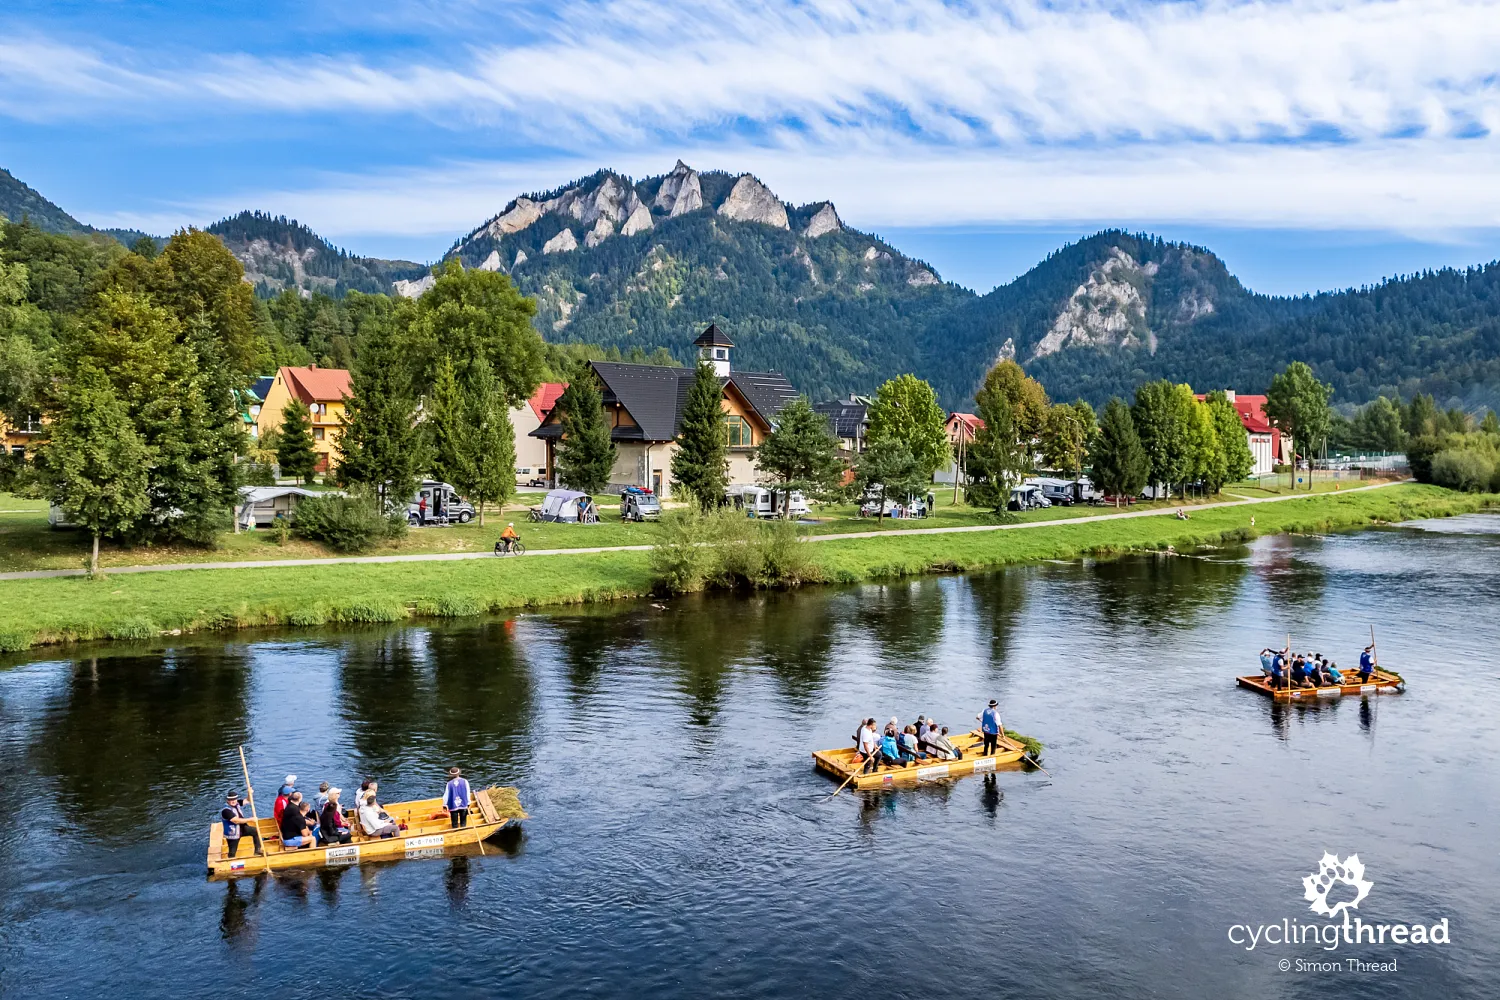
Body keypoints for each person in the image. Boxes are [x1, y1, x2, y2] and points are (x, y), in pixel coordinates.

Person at [220, 792, 264, 858]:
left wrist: (249, 793)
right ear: (228, 801)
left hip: (242, 829)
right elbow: (236, 821)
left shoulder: (237, 803)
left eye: (234, 799)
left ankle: (257, 850)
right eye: (231, 800)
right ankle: (230, 860)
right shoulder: (226, 811)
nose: (233, 801)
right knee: (232, 852)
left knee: (255, 831)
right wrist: (250, 819)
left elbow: (248, 800)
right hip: (233, 833)